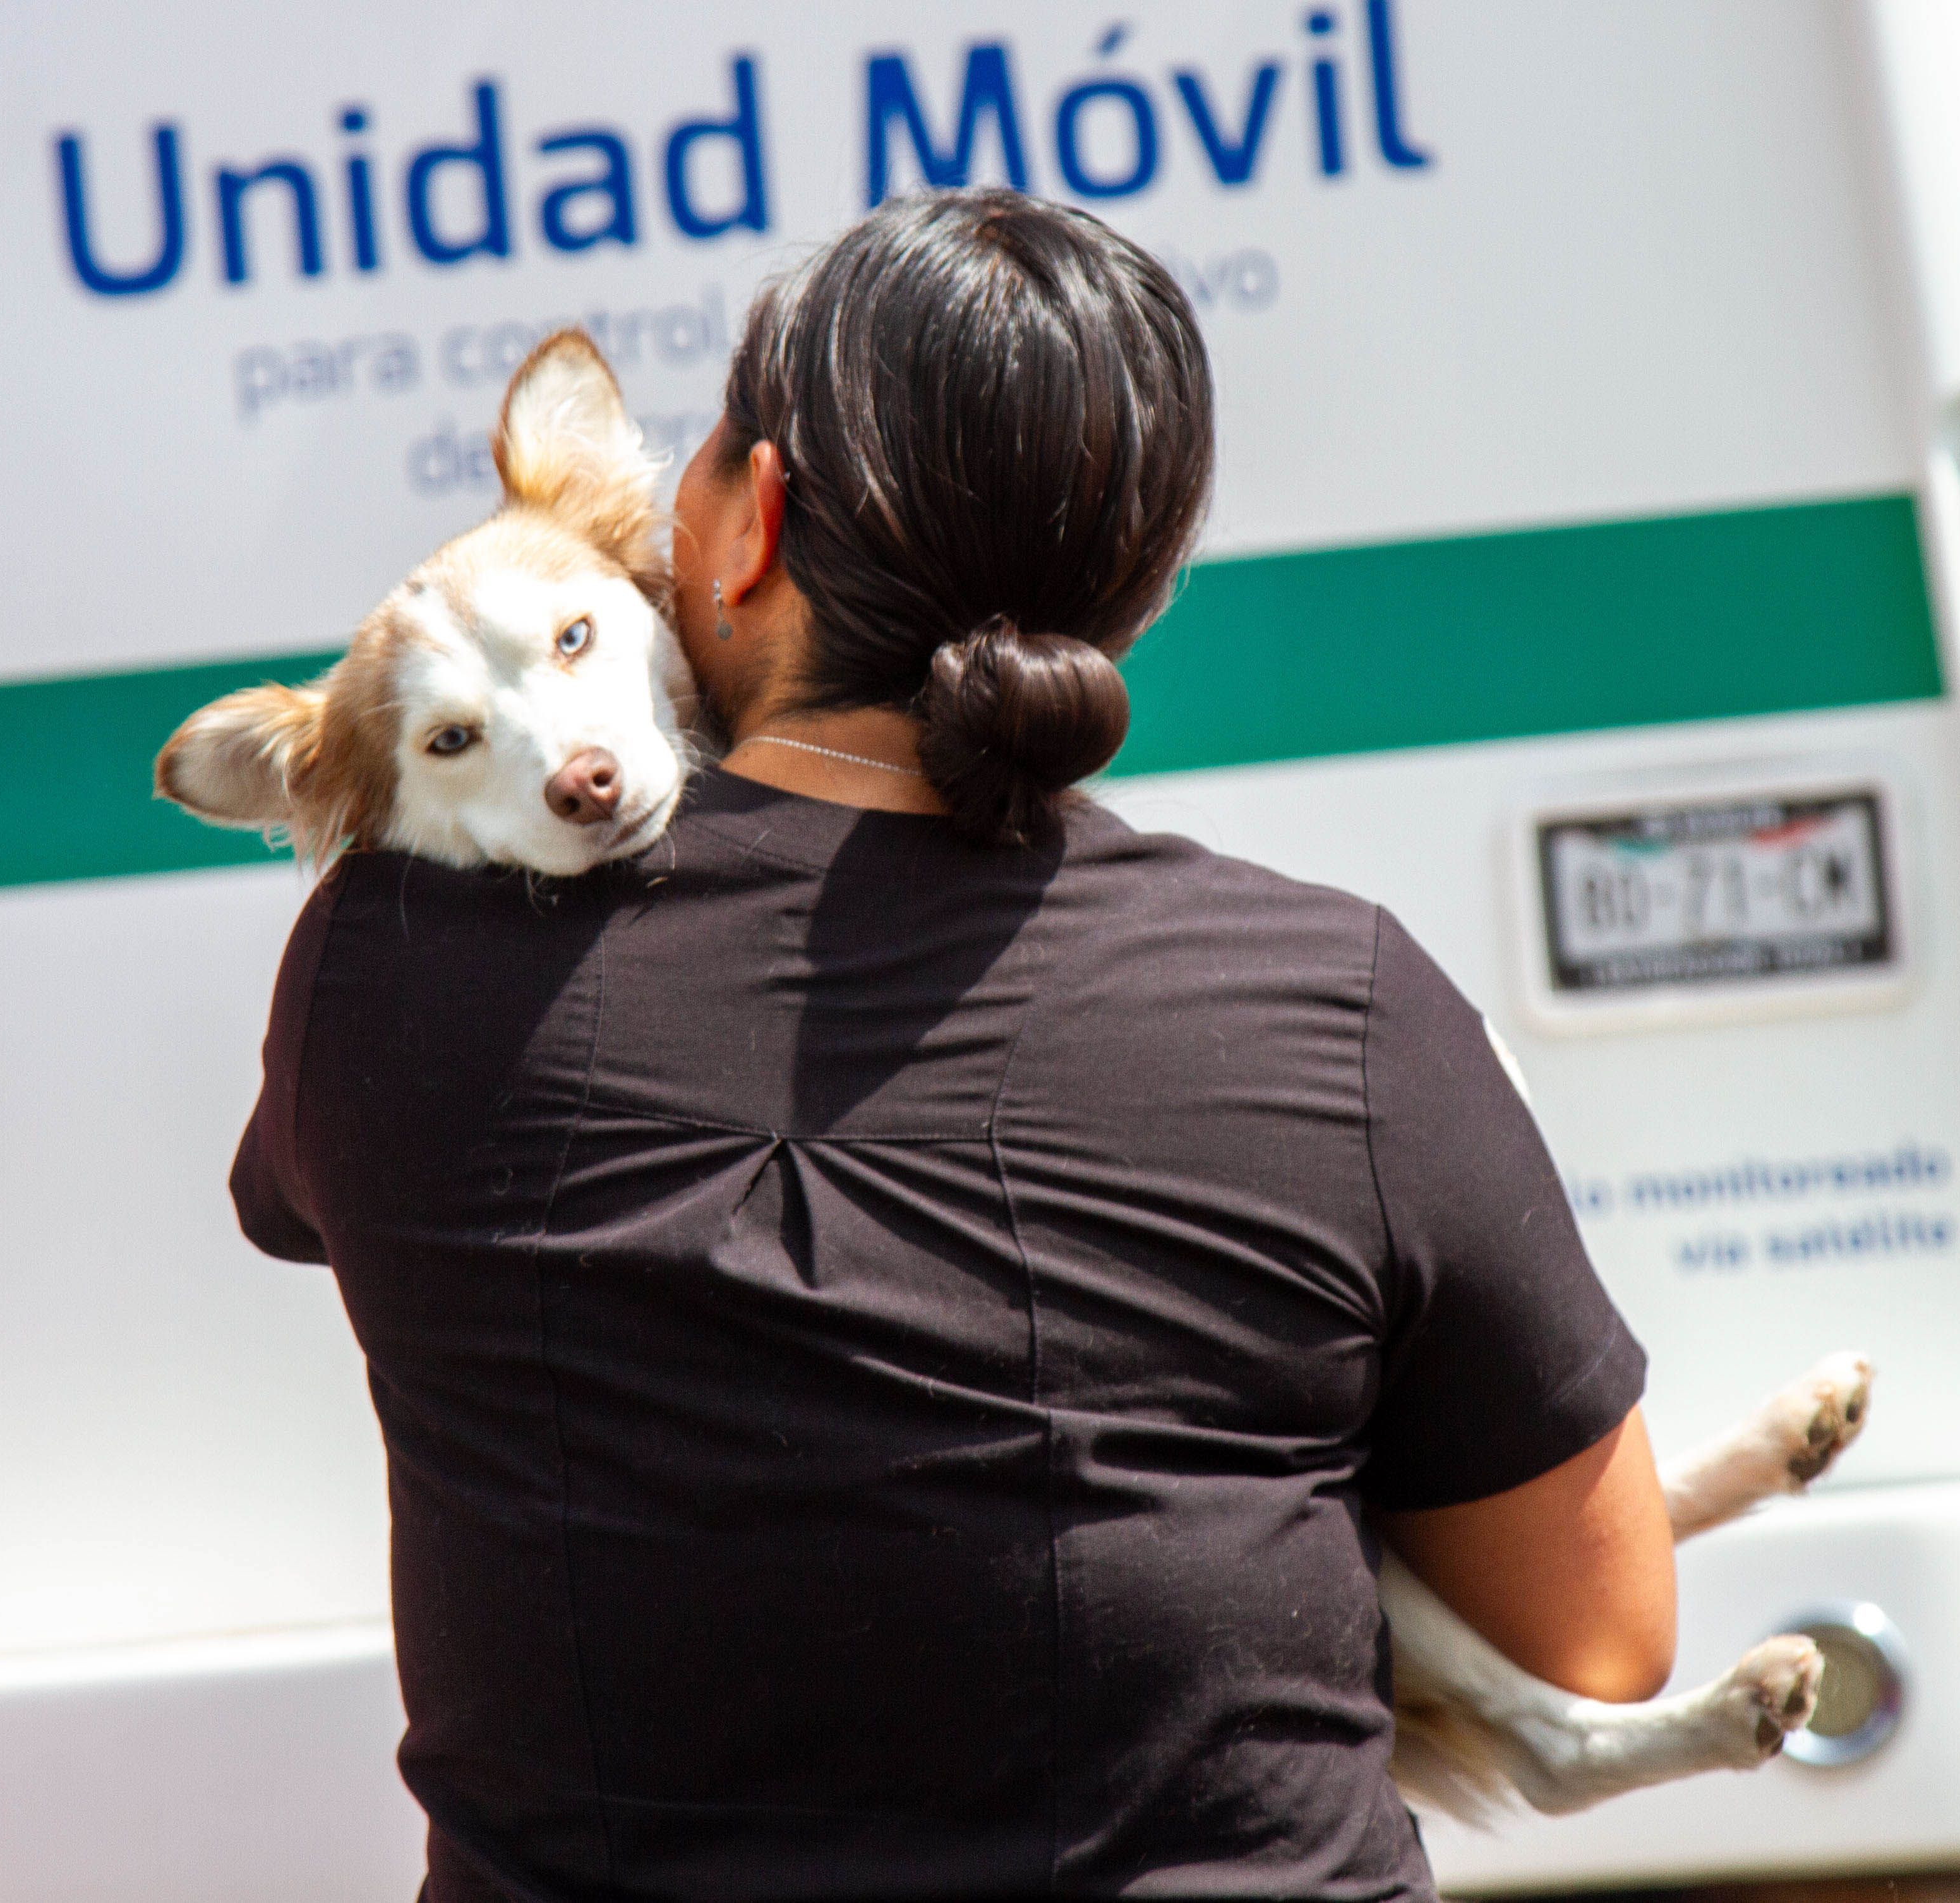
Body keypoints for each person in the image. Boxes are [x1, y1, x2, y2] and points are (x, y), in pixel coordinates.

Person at [229, 188, 1673, 1903]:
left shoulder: (379, 983)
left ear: (751, 525)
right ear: (1134, 594)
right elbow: (1605, 1634)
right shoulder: (1342, 1004)